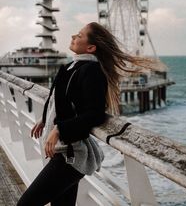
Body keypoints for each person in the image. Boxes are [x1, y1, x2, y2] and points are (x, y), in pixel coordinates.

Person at [17, 22, 165, 206]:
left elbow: (95, 114)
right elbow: (62, 101)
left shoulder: (92, 71)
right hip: (61, 152)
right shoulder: (72, 67)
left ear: (91, 47)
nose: (73, 36)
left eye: (79, 35)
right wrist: (44, 119)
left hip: (71, 156)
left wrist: (59, 129)